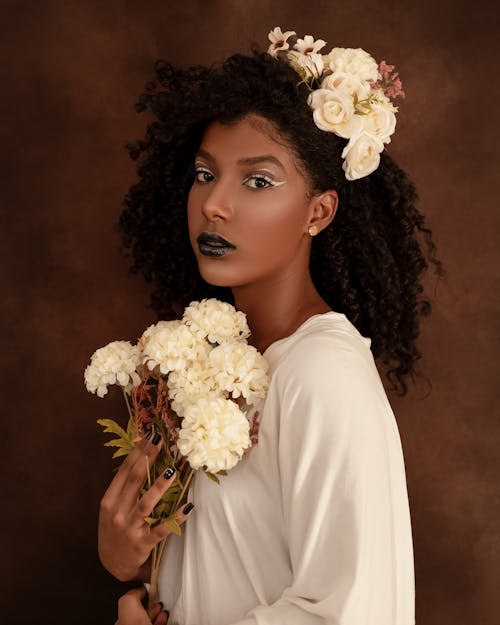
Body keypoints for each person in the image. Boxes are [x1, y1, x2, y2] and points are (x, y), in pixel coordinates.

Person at [100, 27, 443, 625]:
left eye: (258, 181)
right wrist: (125, 559)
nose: (214, 204)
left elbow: (349, 612)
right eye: (206, 174)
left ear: (320, 210)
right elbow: (225, 564)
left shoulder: (322, 375)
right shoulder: (215, 362)